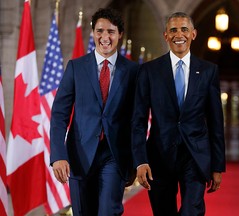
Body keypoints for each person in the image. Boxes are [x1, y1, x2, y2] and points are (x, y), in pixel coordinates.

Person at [132, 12, 226, 216]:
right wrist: (140, 160)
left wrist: (217, 166)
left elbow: (216, 121)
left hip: (195, 156)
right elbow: (138, 121)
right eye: (173, 30)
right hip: (159, 156)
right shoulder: (149, 71)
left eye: (184, 29)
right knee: (163, 211)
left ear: (193, 34)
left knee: (191, 210)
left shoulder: (208, 71)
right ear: (165, 35)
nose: (179, 34)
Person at [50, 8, 138, 215]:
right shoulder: (76, 67)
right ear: (92, 33)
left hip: (115, 156)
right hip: (79, 157)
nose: (104, 37)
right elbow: (59, 114)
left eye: (111, 32)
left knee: (108, 210)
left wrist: (137, 160)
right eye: (99, 31)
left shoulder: (134, 72)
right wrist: (58, 155)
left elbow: (138, 119)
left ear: (120, 35)